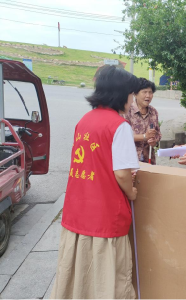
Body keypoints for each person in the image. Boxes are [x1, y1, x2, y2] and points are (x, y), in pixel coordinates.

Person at [51, 65, 140, 299]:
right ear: (120, 93)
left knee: (79, 275)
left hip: (77, 211)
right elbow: (122, 173)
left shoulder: (84, 121)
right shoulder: (119, 126)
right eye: (131, 94)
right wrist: (131, 193)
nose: (132, 100)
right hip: (105, 215)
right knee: (106, 278)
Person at [124, 78, 161, 165]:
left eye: (150, 92)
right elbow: (123, 137)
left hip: (148, 160)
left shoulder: (153, 112)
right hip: (130, 160)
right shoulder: (126, 111)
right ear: (135, 94)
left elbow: (158, 135)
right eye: (144, 92)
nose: (148, 96)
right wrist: (144, 136)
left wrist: (154, 142)